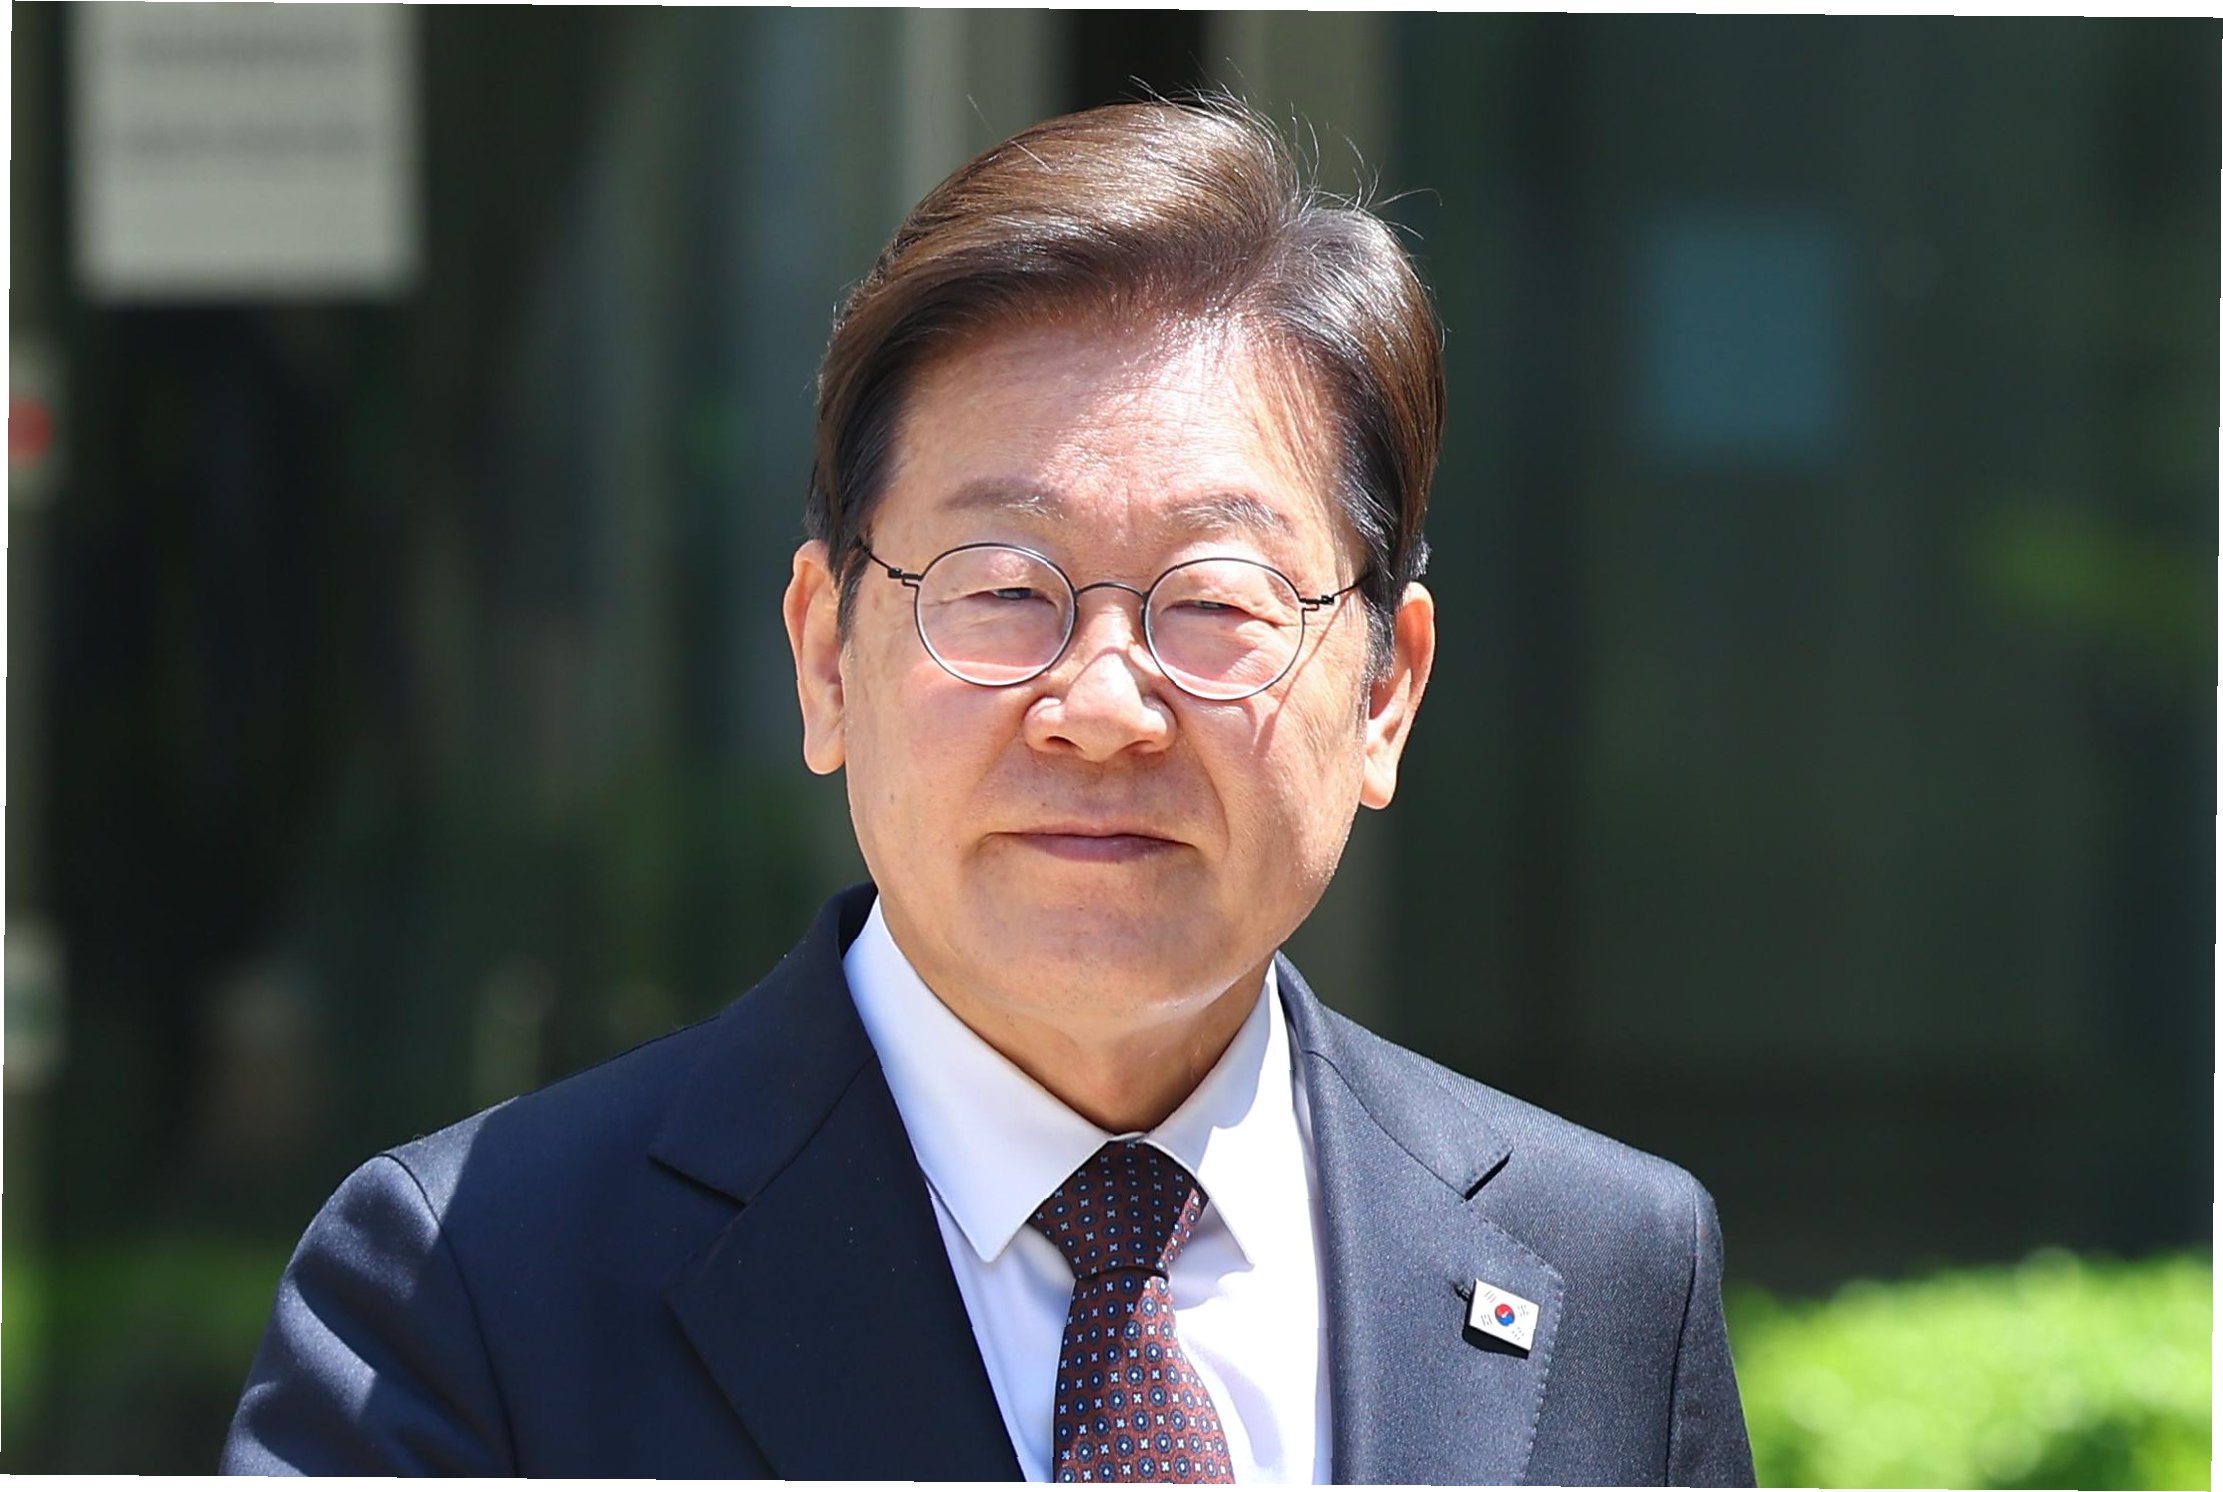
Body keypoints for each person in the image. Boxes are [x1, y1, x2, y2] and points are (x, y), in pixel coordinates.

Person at [222, 98, 1754, 1484]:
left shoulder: (1611, 1266)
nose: (1102, 708)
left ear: (1385, 691)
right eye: (1004, 589)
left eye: (1217, 599)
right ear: (827, 658)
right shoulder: (473, 1287)